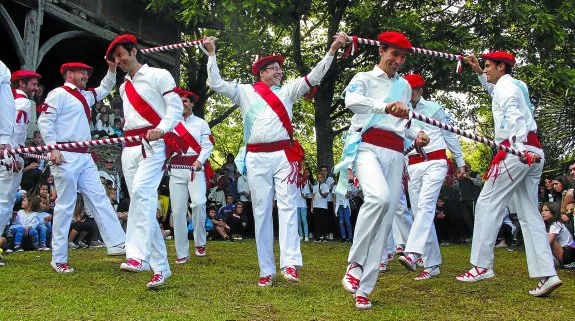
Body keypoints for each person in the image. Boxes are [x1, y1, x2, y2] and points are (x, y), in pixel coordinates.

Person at [204, 32, 347, 286]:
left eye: (280, 68)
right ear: (261, 73)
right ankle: (266, 269)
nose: (279, 72)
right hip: (257, 157)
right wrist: (212, 54)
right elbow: (215, 83)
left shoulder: (288, 91)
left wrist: (333, 49)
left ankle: (290, 264)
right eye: (273, 68)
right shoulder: (244, 92)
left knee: (289, 205)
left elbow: (314, 77)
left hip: (284, 155)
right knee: (260, 212)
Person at [457, 52, 562, 296]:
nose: (485, 70)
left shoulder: (507, 89)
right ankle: (548, 274)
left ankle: (482, 265)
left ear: (501, 67)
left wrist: (519, 148)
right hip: (534, 151)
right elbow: (497, 94)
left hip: (518, 152)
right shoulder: (514, 84)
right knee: (529, 215)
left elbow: (513, 114)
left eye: (487, 67)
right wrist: (476, 71)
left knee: (486, 203)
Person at [337, 31, 428, 309]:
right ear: (381, 51)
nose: (398, 60)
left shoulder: (402, 87)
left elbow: (401, 122)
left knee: (387, 217)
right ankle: (355, 264)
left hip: (394, 152)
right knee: (378, 198)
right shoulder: (362, 78)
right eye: (394, 54)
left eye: (403, 57)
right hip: (366, 146)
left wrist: (416, 135)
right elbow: (351, 102)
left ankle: (365, 288)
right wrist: (384, 106)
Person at [107, 34, 183, 288]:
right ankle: (161, 268)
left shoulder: (160, 75)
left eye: (120, 54)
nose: (118, 61)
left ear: (134, 51)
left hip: (154, 144)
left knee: (141, 192)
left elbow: (174, 109)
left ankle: (137, 255)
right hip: (129, 148)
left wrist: (162, 128)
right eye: (114, 58)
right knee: (143, 203)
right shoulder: (122, 87)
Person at [37, 61, 127, 274]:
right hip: (65, 154)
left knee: (99, 197)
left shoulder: (85, 96)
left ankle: (117, 242)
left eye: (88, 72)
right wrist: (52, 148)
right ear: (68, 74)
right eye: (82, 72)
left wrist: (112, 69)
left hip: (84, 155)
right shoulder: (58, 94)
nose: (86, 75)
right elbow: (45, 120)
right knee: (66, 205)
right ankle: (58, 258)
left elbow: (105, 88)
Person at [397, 74, 466, 281]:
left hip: (435, 162)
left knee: (426, 207)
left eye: (415, 90)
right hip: (414, 165)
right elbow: (401, 136)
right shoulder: (401, 111)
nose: (411, 94)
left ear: (421, 90)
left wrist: (460, 162)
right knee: (420, 213)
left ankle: (412, 253)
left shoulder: (435, 109)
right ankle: (432, 263)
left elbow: (449, 135)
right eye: (408, 90)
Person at [168, 88, 213, 263]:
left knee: (199, 203)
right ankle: (181, 252)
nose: (182, 103)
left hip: (195, 170)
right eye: (179, 101)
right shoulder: (169, 122)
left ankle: (200, 242)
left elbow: (207, 145)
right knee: (178, 211)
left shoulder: (201, 123)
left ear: (192, 103)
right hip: (176, 170)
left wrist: (201, 160)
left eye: (185, 100)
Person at [0, 69, 41, 244]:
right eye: (33, 84)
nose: (36, 88)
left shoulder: (10, 100)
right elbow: (14, 129)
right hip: (11, 155)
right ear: (21, 84)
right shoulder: (22, 102)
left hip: (9, 152)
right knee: (5, 201)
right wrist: (14, 156)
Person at [541, 202, 575, 269]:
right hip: (567, 252)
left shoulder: (556, 224)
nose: (542, 213)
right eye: (542, 210)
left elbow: (548, 242)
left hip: (568, 254)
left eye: (546, 210)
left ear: (554, 212)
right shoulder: (554, 224)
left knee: (547, 236)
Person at [311, 172, 330, 242]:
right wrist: (312, 206)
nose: (319, 179)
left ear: (323, 178)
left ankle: (325, 237)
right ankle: (317, 237)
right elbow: (313, 197)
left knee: (324, 222)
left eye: (320, 177)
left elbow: (325, 196)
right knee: (317, 222)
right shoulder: (315, 187)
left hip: (323, 206)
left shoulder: (326, 186)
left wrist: (321, 193)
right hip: (316, 206)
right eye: (318, 177)